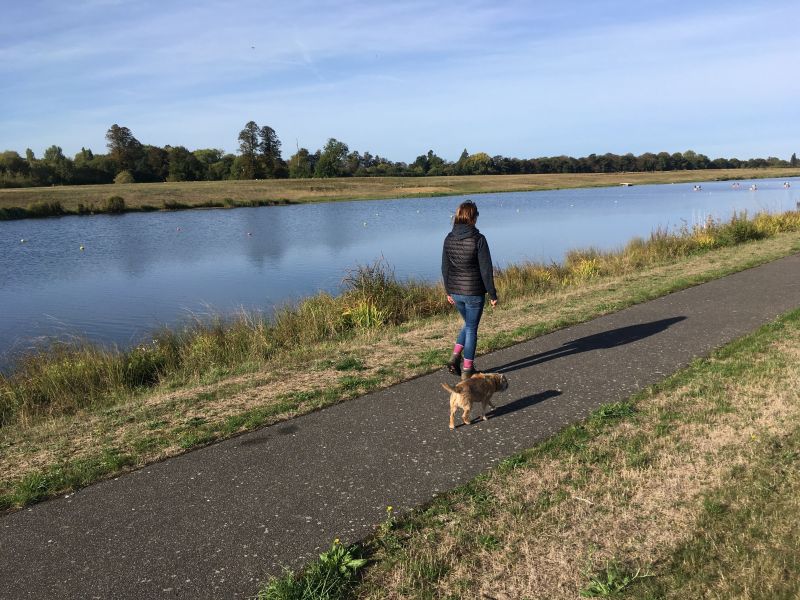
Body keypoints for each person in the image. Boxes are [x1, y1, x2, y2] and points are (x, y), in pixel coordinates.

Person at [441, 200, 498, 379]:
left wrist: (448, 291)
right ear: (472, 218)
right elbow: (486, 269)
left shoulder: (449, 238)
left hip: (456, 292)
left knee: (468, 325)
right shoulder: (478, 239)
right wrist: (492, 293)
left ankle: (454, 357)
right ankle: (467, 370)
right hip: (474, 292)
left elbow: (445, 268)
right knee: (472, 329)